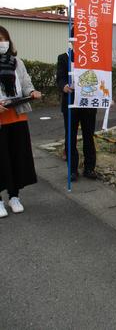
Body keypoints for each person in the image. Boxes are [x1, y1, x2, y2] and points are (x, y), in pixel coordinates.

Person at [0, 26, 41, 218]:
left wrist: (32, 93)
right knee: (1, 160)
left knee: (17, 158)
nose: (2, 43)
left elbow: (26, 84)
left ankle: (14, 196)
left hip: (17, 116)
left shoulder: (17, 62)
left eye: (4, 39)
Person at [56, 45, 97, 182]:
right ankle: (72, 170)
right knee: (70, 136)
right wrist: (64, 86)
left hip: (88, 102)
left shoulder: (92, 57)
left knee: (88, 136)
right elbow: (60, 77)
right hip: (70, 102)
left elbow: (100, 76)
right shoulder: (64, 58)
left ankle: (89, 168)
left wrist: (106, 96)